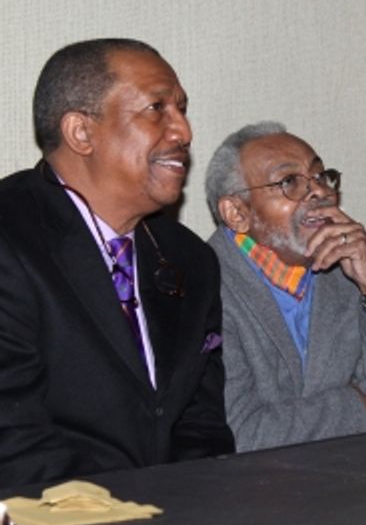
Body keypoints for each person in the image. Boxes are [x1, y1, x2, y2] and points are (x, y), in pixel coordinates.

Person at [0, 38, 234, 489]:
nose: (183, 131)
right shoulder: (12, 236)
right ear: (81, 133)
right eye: (156, 108)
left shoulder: (190, 258)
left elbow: (201, 425)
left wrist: (196, 512)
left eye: (182, 109)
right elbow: (13, 441)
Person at [204, 122, 366, 451]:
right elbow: (242, 436)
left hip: (360, 486)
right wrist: (357, 404)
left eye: (320, 176)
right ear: (237, 213)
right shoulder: (204, 287)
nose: (320, 192)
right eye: (289, 181)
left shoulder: (346, 272)